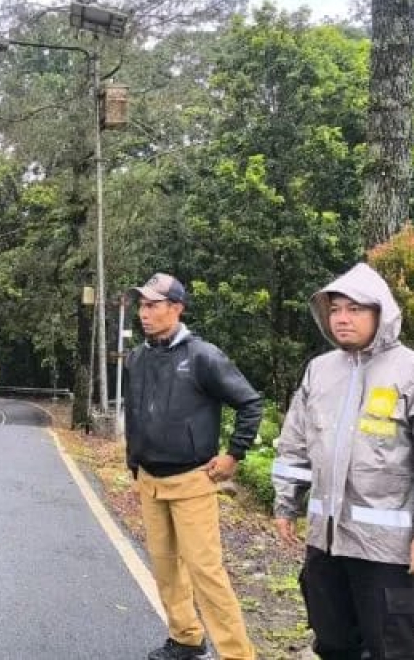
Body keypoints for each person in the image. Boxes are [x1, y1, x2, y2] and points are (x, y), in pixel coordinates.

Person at [272, 263, 414, 660]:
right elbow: (294, 443)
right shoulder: (320, 371)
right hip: (326, 547)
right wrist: (285, 503)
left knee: (395, 651)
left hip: (387, 553)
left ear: (382, 312)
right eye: (335, 309)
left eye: (355, 309)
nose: (342, 318)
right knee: (333, 644)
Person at [123, 272, 262, 660]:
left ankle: (238, 654)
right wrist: (133, 461)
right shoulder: (138, 357)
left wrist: (233, 454)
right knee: (165, 569)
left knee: (206, 573)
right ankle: (186, 638)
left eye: (153, 305)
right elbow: (135, 414)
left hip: (193, 480)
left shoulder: (203, 356)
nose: (144, 313)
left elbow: (249, 403)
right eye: (142, 305)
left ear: (177, 308)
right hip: (150, 480)